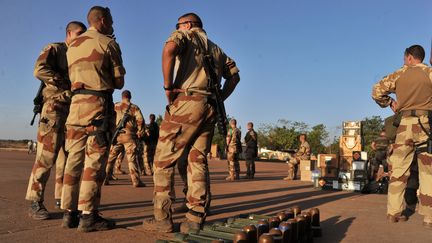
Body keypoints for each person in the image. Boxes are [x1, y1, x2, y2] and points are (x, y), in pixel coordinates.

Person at [142, 12, 240, 233]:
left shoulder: (184, 36)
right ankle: (195, 219)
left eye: (178, 25)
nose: (177, 28)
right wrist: (220, 97)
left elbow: (168, 50)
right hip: (209, 107)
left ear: (187, 24)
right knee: (197, 161)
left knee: (163, 160)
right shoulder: (217, 49)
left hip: (186, 102)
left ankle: (162, 218)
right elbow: (234, 76)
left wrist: (168, 87)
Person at [61, 6, 125, 232]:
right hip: (97, 106)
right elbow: (119, 82)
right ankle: (88, 216)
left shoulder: (72, 45)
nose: (113, 26)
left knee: (73, 160)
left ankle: (69, 213)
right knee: (94, 161)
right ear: (103, 20)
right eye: (111, 21)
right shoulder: (108, 43)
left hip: (75, 106)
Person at [25, 21, 86, 220]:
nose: (82, 37)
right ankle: (35, 202)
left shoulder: (80, 55)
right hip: (54, 109)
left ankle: (63, 199)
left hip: (72, 111)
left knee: (67, 159)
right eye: (79, 33)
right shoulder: (56, 49)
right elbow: (39, 70)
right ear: (69, 33)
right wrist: (64, 83)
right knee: (46, 158)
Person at [372, 44, 432, 228]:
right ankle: (429, 218)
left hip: (404, 125)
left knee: (398, 171)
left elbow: (376, 91)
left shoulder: (399, 74)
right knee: (428, 172)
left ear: (409, 57)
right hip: (426, 125)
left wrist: (390, 101)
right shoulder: (429, 73)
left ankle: (394, 213)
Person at [104, 90, 145, 187]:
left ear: (122, 97)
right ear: (130, 97)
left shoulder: (115, 106)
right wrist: (140, 131)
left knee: (110, 159)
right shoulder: (134, 107)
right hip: (129, 136)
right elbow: (140, 120)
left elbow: (108, 117)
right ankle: (136, 181)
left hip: (116, 136)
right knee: (131, 159)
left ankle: (104, 179)